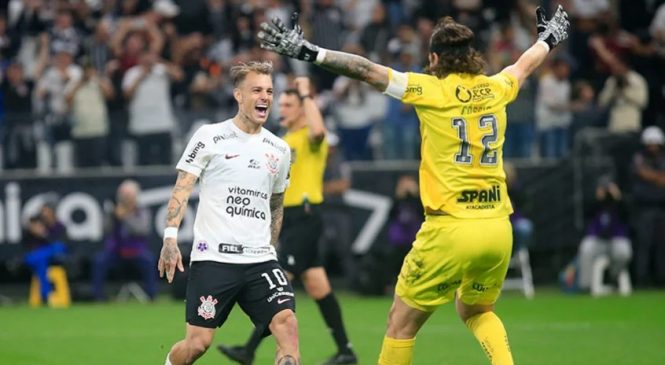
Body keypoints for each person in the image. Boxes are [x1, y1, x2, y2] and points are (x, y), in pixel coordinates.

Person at [258, 6, 569, 365]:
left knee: (400, 325)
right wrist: (548, 39)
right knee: (477, 310)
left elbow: (365, 69)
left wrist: (310, 52)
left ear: (434, 58)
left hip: (450, 228)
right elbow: (524, 64)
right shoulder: (495, 87)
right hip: (498, 226)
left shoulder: (429, 89)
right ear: (472, 57)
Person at [158, 61, 299, 365]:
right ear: (238, 95)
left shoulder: (279, 149)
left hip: (259, 259)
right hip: (214, 259)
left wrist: (271, 248)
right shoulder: (209, 136)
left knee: (286, 323)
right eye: (257, 90)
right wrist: (170, 238)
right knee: (197, 344)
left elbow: (276, 203)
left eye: (270, 91)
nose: (265, 97)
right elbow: (182, 187)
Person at [217, 77, 358, 364]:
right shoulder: (283, 140)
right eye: (281, 104)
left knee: (276, 284)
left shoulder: (310, 137)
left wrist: (307, 93)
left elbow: (319, 130)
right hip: (290, 218)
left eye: (289, 105)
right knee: (319, 286)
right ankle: (346, 351)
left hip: (305, 216)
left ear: (303, 109)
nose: (281, 108)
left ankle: (248, 350)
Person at [91, 179, 157, 301]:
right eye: (124, 195)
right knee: (99, 261)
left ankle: (151, 295)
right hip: (116, 251)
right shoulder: (112, 211)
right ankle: (98, 296)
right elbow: (104, 230)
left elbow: (142, 230)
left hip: (136, 251)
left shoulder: (142, 211)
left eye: (129, 195)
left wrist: (126, 217)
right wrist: (113, 216)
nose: (126, 199)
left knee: (149, 261)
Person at [576, 177, 632, 291]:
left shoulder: (620, 203)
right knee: (585, 248)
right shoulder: (596, 203)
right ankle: (586, 285)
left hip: (617, 238)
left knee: (624, 252)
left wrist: (617, 197)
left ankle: (614, 277)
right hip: (598, 239)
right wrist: (598, 198)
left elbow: (628, 215)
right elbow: (585, 215)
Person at [631, 126, 665, 287]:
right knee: (644, 244)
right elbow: (641, 172)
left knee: (662, 244)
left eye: (655, 144)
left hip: (662, 208)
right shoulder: (639, 158)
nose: (652, 147)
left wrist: (651, 176)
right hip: (644, 209)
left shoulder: (663, 159)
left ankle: (661, 278)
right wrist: (657, 177)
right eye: (650, 144)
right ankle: (641, 278)